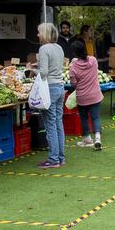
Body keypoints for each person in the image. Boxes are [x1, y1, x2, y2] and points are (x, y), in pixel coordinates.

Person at [37, 21, 65, 169]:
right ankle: (61, 157)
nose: (37, 34)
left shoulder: (44, 49)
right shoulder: (59, 47)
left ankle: (53, 159)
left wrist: (32, 70)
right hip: (60, 86)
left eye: (39, 32)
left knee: (50, 125)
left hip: (50, 88)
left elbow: (44, 73)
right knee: (58, 123)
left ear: (45, 34)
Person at [69, 38, 103, 151]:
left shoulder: (73, 67)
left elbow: (73, 83)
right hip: (95, 94)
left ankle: (87, 139)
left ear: (74, 52)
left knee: (84, 118)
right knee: (96, 117)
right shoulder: (93, 60)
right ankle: (98, 138)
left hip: (82, 96)